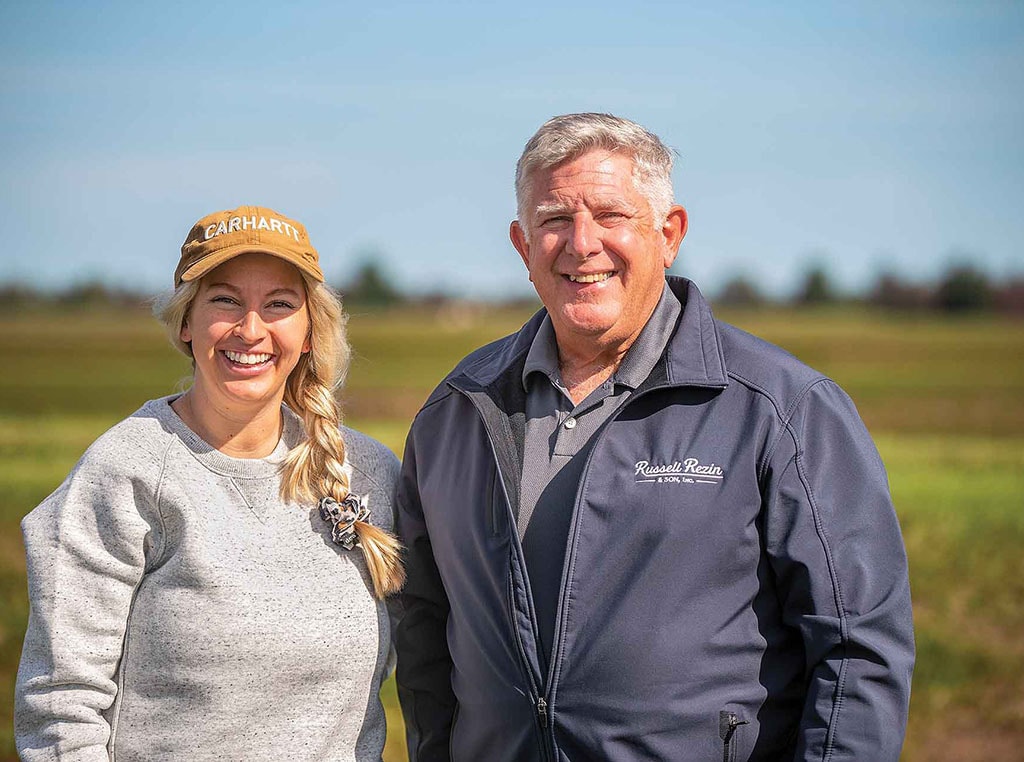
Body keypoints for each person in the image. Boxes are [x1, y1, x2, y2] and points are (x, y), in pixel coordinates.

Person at [392, 114, 915, 761]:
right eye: (554, 219)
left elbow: (858, 648)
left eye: (611, 215)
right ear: (523, 246)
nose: (581, 244)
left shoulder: (779, 408)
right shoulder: (457, 412)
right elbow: (422, 630)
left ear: (669, 235)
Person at [15, 206, 404, 761]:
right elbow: (60, 704)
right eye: (224, 300)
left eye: (279, 304)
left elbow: (442, 661)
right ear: (185, 322)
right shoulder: (126, 472)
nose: (251, 329)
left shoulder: (368, 473)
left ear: (309, 328)